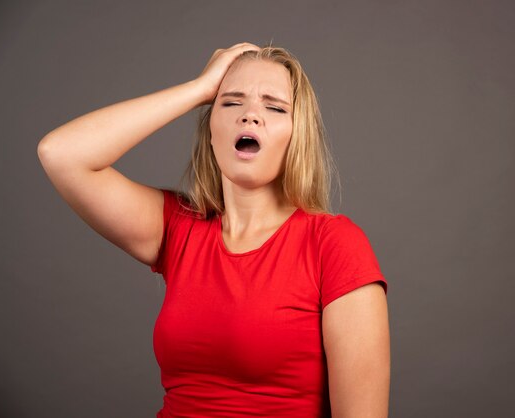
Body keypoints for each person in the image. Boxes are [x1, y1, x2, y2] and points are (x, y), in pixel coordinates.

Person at [37, 42, 390, 418]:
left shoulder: (334, 244)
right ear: (210, 130)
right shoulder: (178, 228)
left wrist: (220, 95)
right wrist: (199, 89)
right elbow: (61, 154)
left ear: (296, 135)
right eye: (231, 102)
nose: (250, 116)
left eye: (273, 107)